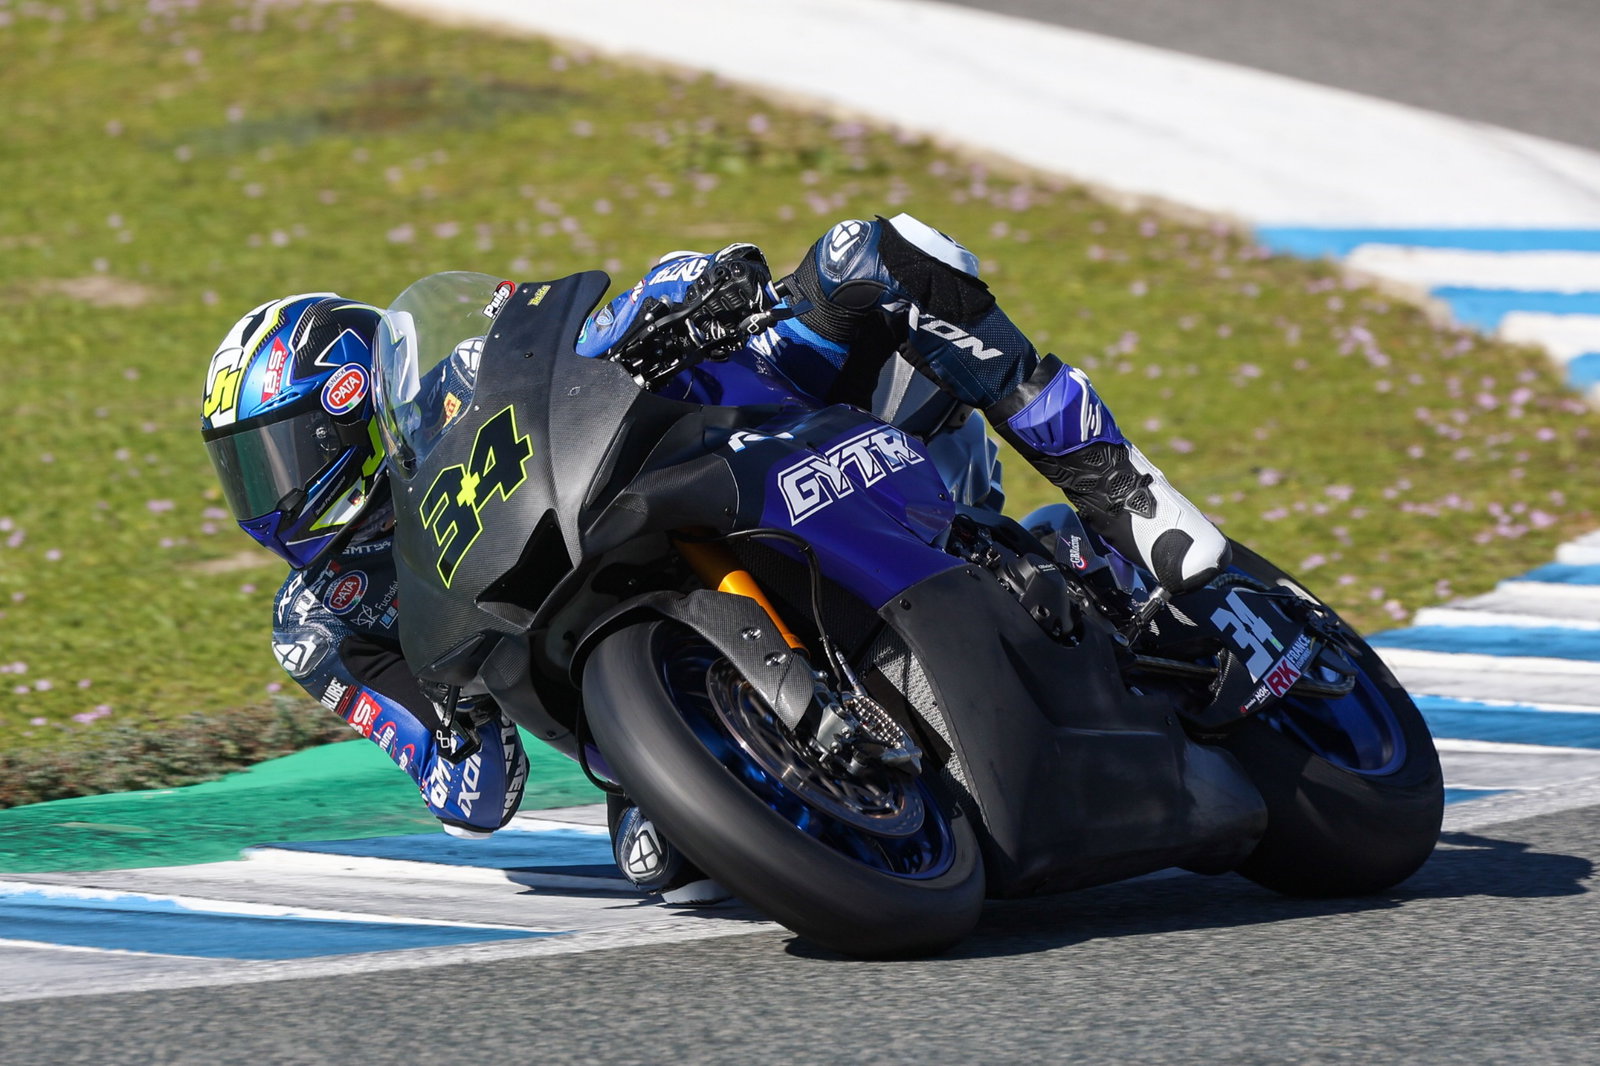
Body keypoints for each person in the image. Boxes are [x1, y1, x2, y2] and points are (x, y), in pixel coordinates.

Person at [199, 213, 1228, 904]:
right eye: (245, 470)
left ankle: (1121, 500)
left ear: (352, 412)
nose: (272, 493)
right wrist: (454, 716)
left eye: (278, 454)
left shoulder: (459, 383)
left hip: (704, 472)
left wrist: (681, 294)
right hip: (615, 683)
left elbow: (580, 351)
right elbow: (472, 791)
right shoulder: (318, 622)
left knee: (871, 255)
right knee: (671, 866)